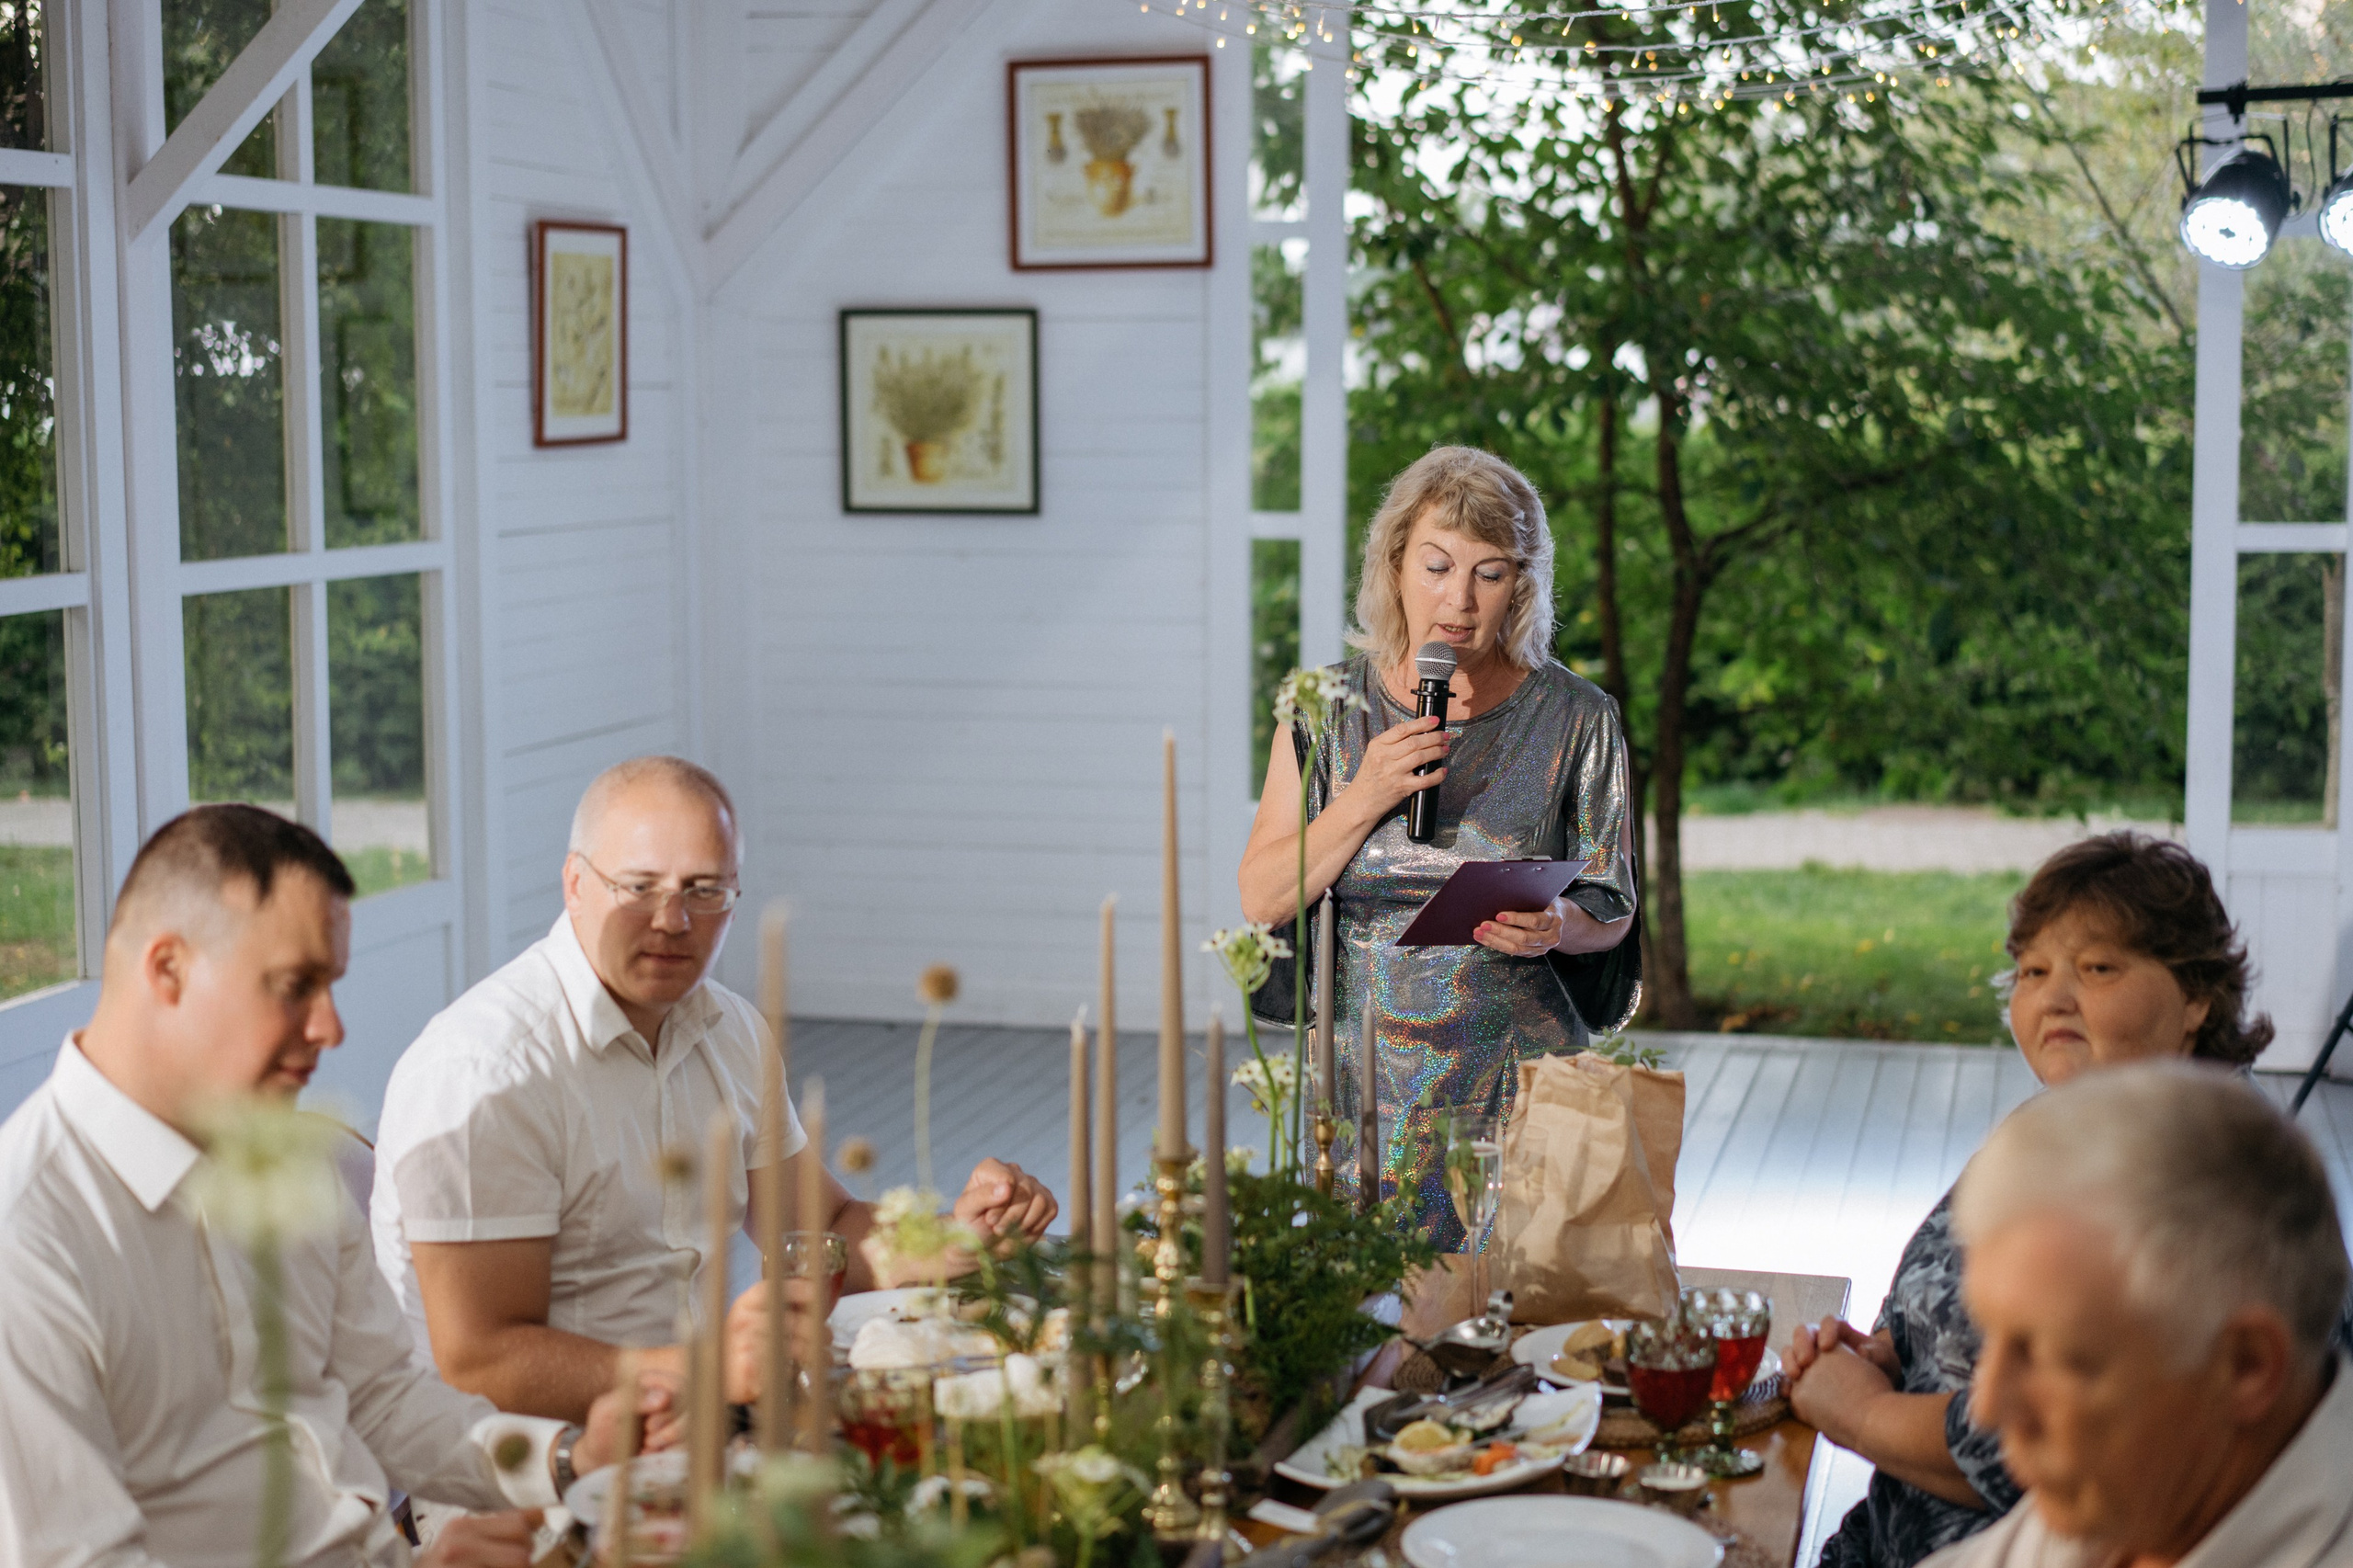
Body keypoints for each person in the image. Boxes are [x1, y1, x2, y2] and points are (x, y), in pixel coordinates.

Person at [0, 805, 662, 1568]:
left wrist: (569, 1458)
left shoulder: (295, 1155)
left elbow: (382, 1397)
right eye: (295, 986)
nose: (330, 1028)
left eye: (332, 986)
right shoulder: (32, 1243)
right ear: (167, 969)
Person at [370, 756, 1058, 1428]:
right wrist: (710, 1373)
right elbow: (483, 1361)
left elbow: (823, 1232)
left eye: (705, 891)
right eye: (639, 887)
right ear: (574, 885)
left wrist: (955, 1238)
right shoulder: (487, 1070)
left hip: (700, 1423)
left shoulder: (728, 1029)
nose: (673, 920)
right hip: (523, 1482)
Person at [1790, 832, 2275, 1568]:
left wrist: (1860, 1413)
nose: (2053, 995)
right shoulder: (2049, 1125)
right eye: (2033, 970)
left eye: (2098, 968)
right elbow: (1938, 1294)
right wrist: (1884, 1352)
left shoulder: (2212, 1185)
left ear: (2196, 997)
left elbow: (2061, 1449)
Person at [1236, 447, 1636, 1244]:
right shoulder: (1322, 711)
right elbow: (1262, 898)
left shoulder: (1578, 717)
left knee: (1521, 1337)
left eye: (1490, 573)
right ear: (1394, 565)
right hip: (1363, 1090)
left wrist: (1561, 923)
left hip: (1522, 1082)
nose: (1459, 599)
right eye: (1437, 565)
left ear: (1521, 584)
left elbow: (1611, 908)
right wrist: (1368, 795)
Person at [1920, 1063, 2352, 1567]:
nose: (1988, 1407)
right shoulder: (2145, 1496)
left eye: (2055, 1357)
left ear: (2246, 1366)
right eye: (1990, 1335)